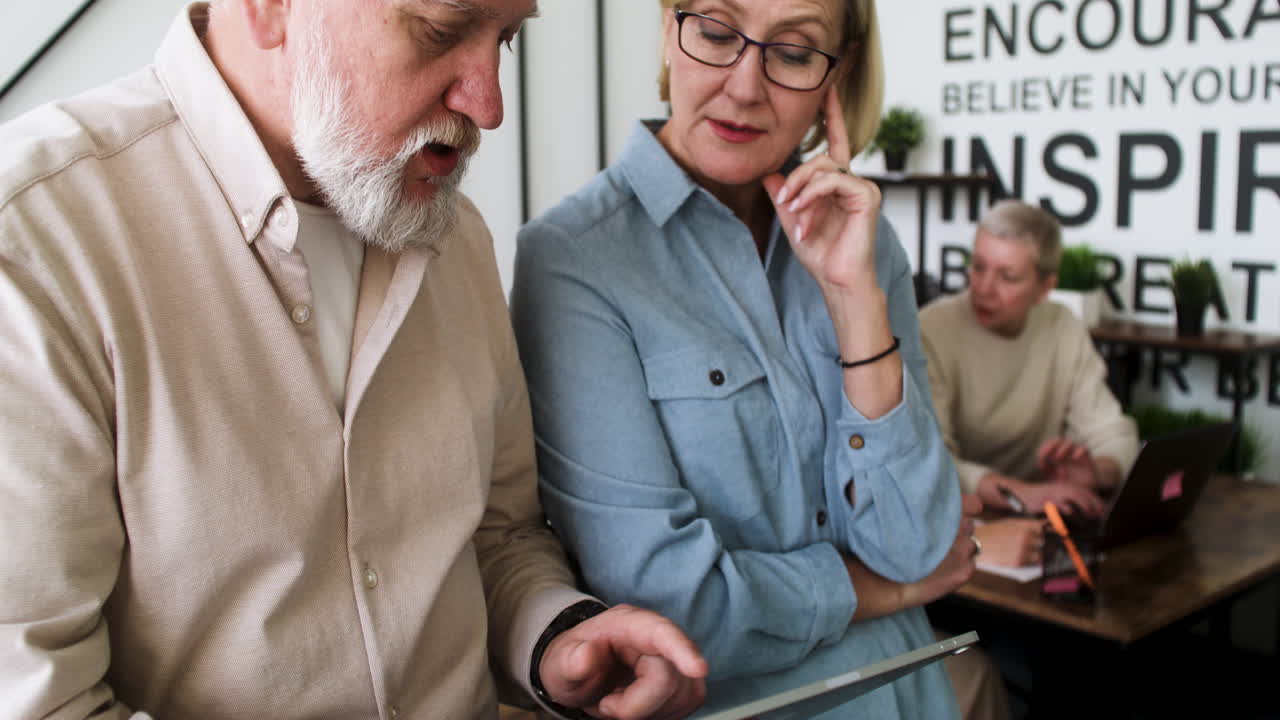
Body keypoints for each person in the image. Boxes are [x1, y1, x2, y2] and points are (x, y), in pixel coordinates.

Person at [0, 1, 712, 718]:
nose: (490, 105)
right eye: (440, 29)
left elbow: (498, 537)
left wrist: (557, 639)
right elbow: (38, 698)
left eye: (506, 38)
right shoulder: (35, 241)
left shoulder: (457, 239)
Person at [510, 1, 1007, 718]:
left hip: (912, 697)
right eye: (716, 33)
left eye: (795, 53)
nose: (745, 87)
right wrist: (886, 592)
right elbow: (672, 607)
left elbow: (917, 543)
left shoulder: (867, 241)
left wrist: (854, 300)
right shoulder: (575, 259)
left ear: (840, 72)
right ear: (669, 29)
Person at [919, 200, 1140, 569]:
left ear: (1044, 288)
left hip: (1042, 524)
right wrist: (1020, 493)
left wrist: (1097, 472)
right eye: (978, 267)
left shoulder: (1062, 325)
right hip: (963, 533)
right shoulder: (931, 330)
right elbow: (930, 463)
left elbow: (1113, 431)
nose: (983, 288)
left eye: (1007, 277)